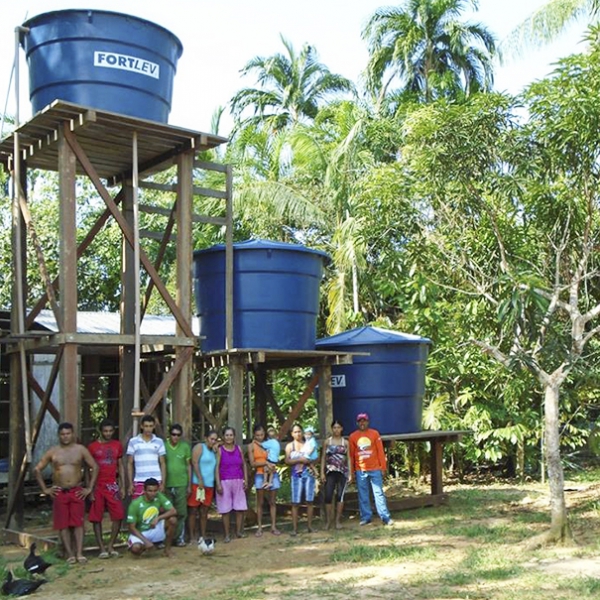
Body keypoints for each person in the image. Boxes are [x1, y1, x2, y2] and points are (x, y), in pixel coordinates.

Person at [34, 422, 98, 564]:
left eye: (68, 433)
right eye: (62, 434)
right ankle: (70, 554)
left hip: (77, 490)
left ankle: (79, 553)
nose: (65, 436)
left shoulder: (80, 450)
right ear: (59, 435)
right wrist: (45, 489)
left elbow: (94, 466)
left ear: (73, 434)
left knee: (78, 523)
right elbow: (37, 469)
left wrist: (89, 488)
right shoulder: (53, 451)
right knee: (63, 524)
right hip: (60, 491)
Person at [87, 418, 125, 558]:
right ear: (100, 431)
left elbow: (120, 466)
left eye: (110, 431)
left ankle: (111, 545)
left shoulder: (117, 445)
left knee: (118, 514)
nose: (108, 433)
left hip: (112, 485)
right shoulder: (92, 447)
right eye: (105, 431)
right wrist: (89, 488)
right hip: (97, 485)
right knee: (97, 517)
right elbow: (87, 469)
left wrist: (123, 485)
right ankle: (101, 547)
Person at [348, 412, 393, 526]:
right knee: (363, 494)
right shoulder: (353, 436)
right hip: (360, 469)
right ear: (357, 423)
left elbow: (380, 452)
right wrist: (352, 471)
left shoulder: (374, 434)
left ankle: (385, 517)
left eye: (364, 421)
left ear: (368, 422)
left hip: (374, 468)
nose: (362, 423)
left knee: (378, 493)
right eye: (360, 421)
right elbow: (351, 456)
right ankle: (366, 517)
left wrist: (382, 467)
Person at [126, 477, 177, 558]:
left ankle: (167, 550)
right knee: (136, 549)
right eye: (150, 491)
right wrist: (146, 542)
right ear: (144, 490)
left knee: (173, 520)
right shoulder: (135, 504)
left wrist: (158, 518)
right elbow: (131, 528)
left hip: (154, 528)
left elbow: (173, 511)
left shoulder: (159, 496)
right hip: (141, 532)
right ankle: (146, 548)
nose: (153, 493)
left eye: (155, 491)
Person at [247, 425, 281, 537]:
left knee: (272, 501)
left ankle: (273, 526)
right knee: (260, 502)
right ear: (254, 435)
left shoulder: (269, 443)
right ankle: (260, 527)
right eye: (257, 435)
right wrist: (266, 463)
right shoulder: (251, 446)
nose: (260, 437)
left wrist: (272, 463)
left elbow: (275, 456)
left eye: (261, 435)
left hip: (272, 473)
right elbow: (253, 463)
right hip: (260, 474)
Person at [215, 426, 248, 543]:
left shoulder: (238, 449)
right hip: (224, 481)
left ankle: (239, 532)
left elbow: (243, 464)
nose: (229, 437)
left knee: (240, 508)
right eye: (227, 435)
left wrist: (246, 479)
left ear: (234, 437)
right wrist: (218, 483)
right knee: (226, 510)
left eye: (231, 435)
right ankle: (227, 534)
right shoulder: (220, 450)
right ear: (223, 437)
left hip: (238, 480)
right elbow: (217, 467)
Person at [285, 423, 318, 535]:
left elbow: (315, 457)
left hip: (308, 474)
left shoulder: (308, 443)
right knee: (295, 502)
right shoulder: (290, 446)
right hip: (296, 475)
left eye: (299, 431)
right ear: (291, 434)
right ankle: (295, 528)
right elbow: (287, 461)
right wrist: (300, 460)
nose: (298, 434)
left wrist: (309, 461)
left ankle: (309, 526)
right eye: (295, 432)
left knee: (309, 501)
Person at [187, 430, 218, 546]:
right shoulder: (200, 447)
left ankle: (203, 534)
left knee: (204, 511)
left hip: (209, 484)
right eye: (211, 439)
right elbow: (194, 462)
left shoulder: (214, 451)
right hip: (198, 484)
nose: (213, 441)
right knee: (193, 510)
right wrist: (199, 479)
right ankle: (192, 536)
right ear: (206, 438)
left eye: (215, 439)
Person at [320, 419, 352, 530]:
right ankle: (329, 521)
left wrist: (350, 474)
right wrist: (322, 473)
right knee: (328, 496)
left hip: (342, 472)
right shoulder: (327, 442)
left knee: (340, 496)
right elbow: (323, 457)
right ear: (332, 429)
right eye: (334, 427)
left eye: (338, 427)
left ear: (342, 429)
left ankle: (338, 520)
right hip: (330, 472)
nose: (336, 430)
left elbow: (349, 459)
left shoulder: (345, 442)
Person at [126, 414, 166, 499]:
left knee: (155, 508)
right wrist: (130, 483)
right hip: (139, 479)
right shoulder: (133, 441)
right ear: (141, 426)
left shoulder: (159, 442)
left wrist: (163, 483)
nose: (148, 429)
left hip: (156, 479)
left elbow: (162, 463)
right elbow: (129, 463)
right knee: (138, 507)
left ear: (154, 426)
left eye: (151, 426)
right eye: (146, 426)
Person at [164, 423, 191, 546]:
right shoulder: (163, 446)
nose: (175, 437)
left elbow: (188, 466)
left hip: (181, 483)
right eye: (173, 434)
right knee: (167, 511)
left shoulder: (185, 447)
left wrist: (189, 484)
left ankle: (179, 537)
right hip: (167, 484)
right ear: (169, 435)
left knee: (181, 512)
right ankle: (166, 538)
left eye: (178, 435)